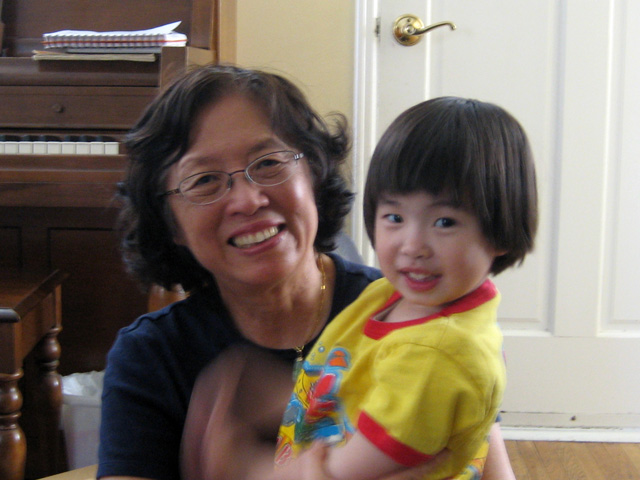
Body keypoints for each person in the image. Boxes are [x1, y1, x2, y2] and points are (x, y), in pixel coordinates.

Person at [97, 64, 516, 480]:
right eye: (204, 180)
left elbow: (490, 468)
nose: (247, 200)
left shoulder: (415, 315)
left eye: (267, 163)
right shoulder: (151, 357)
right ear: (171, 225)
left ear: (313, 174)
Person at [271, 97, 538, 479]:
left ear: (502, 229)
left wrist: (291, 468)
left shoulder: (437, 351)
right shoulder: (394, 296)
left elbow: (346, 472)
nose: (413, 246)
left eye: (444, 222)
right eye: (394, 217)